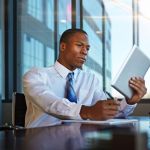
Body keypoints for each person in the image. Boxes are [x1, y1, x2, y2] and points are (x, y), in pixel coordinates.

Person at [23, 28, 147, 128]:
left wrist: (130, 100)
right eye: (79, 45)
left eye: (87, 48)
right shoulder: (35, 75)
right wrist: (88, 111)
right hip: (40, 141)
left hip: (80, 140)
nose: (85, 51)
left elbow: (109, 112)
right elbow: (50, 103)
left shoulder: (91, 80)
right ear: (63, 47)